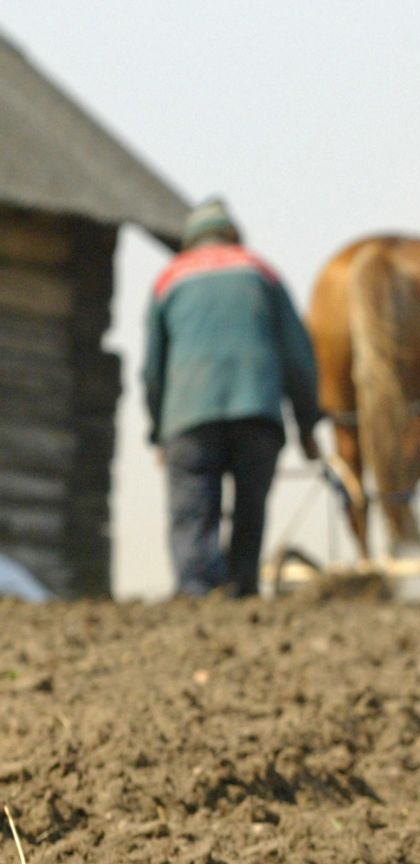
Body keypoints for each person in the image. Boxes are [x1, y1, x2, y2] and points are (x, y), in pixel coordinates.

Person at [144, 197, 320, 598]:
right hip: (256, 412)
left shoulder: (168, 280)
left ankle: (196, 592)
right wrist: (308, 426)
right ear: (233, 236)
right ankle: (242, 590)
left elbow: (152, 370)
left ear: (190, 240)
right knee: (249, 511)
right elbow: (299, 358)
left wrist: (159, 432)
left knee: (192, 515)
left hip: (188, 418)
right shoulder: (262, 272)